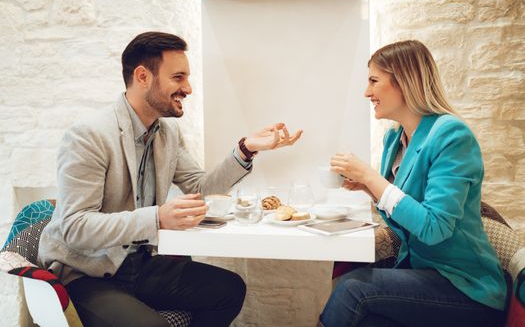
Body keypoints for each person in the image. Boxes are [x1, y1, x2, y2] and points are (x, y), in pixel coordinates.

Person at [38, 31, 302, 327]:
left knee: (229, 291)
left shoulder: (168, 134)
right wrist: (157, 219)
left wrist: (246, 149)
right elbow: (76, 227)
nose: (188, 88)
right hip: (87, 272)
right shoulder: (89, 135)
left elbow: (202, 190)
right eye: (178, 77)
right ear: (142, 77)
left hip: (139, 264)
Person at [320, 40, 506, 327]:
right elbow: (403, 219)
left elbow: (434, 228)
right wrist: (373, 190)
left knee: (353, 288)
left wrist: (373, 178)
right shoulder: (394, 139)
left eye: (373, 80)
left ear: (404, 82)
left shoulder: (452, 135)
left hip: (465, 287)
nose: (366, 92)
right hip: (420, 273)